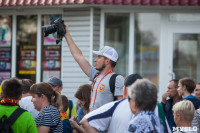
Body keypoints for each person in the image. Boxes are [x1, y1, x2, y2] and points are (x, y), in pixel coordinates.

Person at [64, 24, 125, 111]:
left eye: (99, 57)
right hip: (92, 122)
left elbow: (121, 107)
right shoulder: (96, 74)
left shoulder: (117, 79)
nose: (95, 60)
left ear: (107, 61)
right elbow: (78, 56)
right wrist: (66, 34)